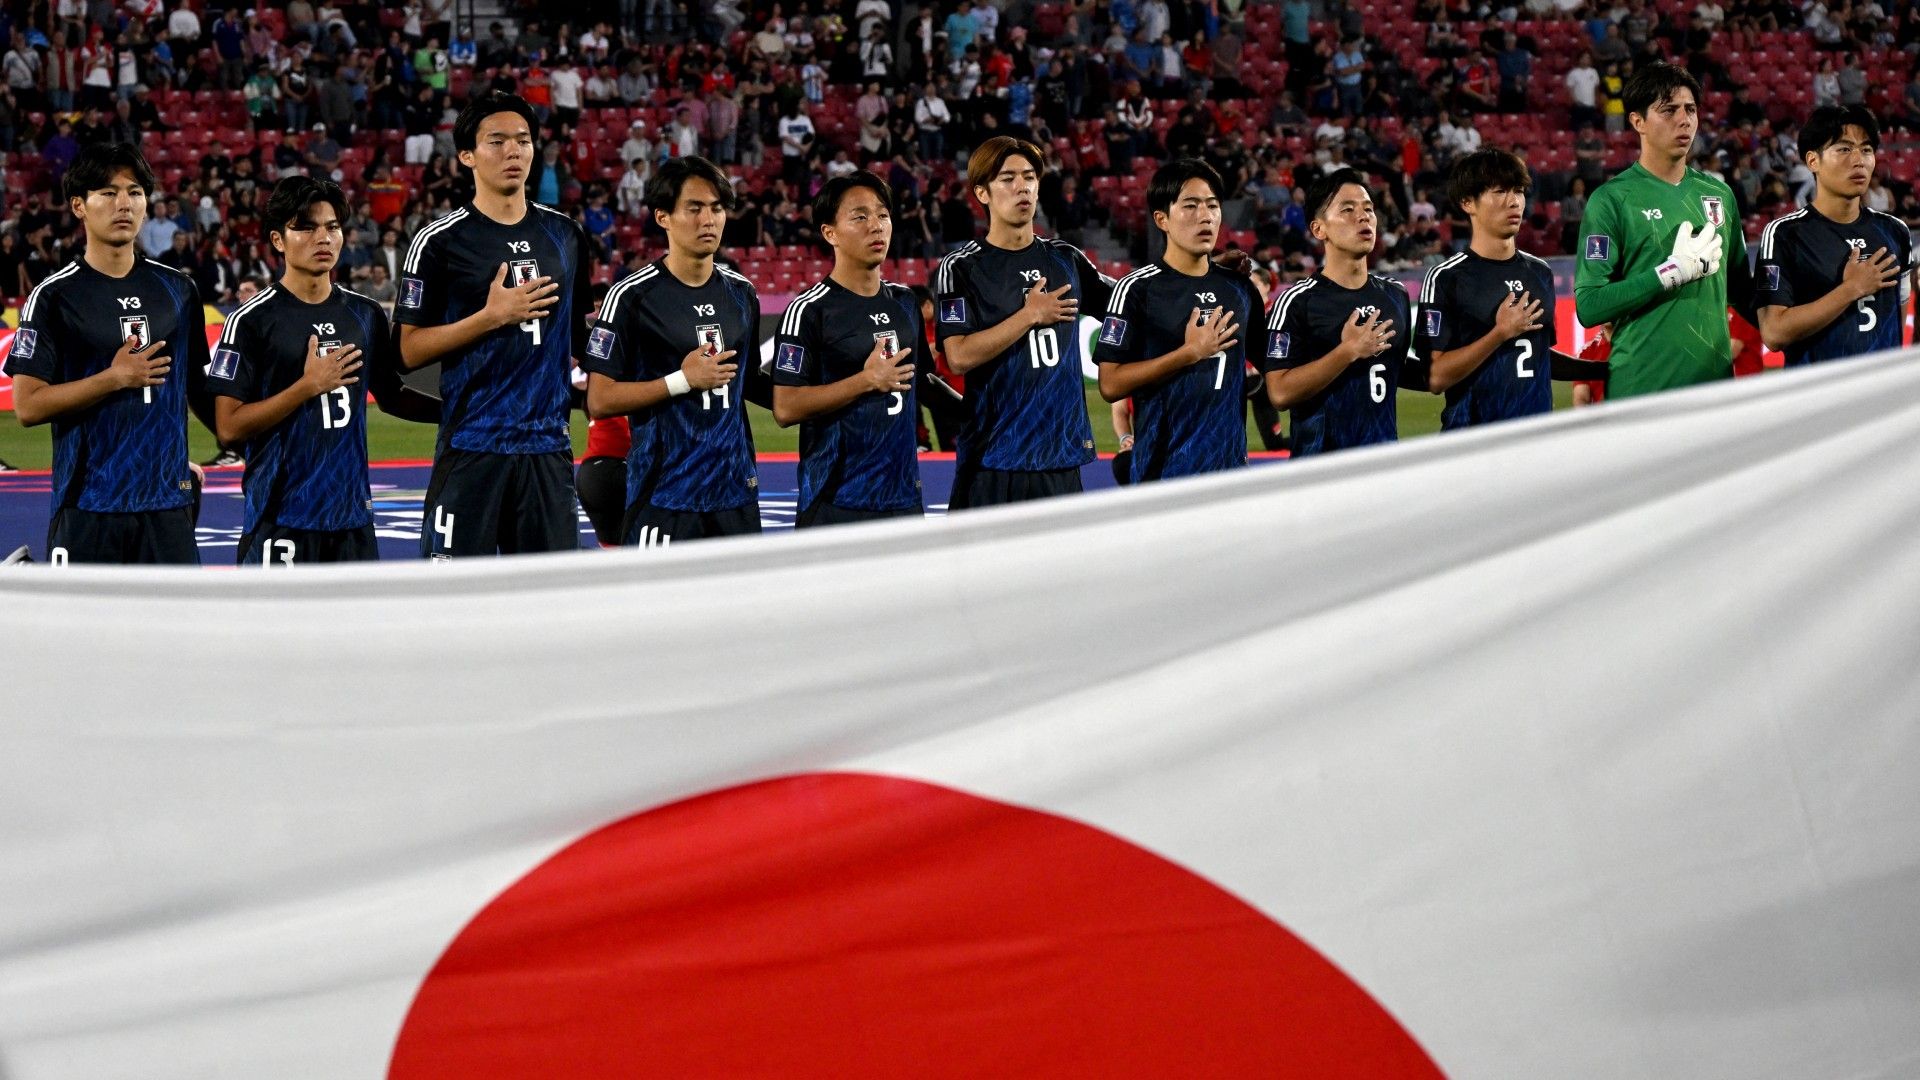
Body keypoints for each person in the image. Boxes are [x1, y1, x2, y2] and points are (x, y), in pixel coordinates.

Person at [395, 91, 592, 558]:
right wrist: (491, 317)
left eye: (523, 141)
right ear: (467, 155)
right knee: (455, 604)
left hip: (548, 448)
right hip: (472, 446)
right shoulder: (438, 242)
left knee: (549, 603)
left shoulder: (565, 235)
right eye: (497, 141)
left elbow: (581, 336)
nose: (513, 152)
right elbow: (406, 352)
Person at [207, 176, 438, 565]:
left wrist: (459, 410)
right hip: (279, 517)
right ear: (278, 240)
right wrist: (307, 386)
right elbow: (229, 427)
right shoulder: (250, 322)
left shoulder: (364, 315)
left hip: (352, 517)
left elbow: (392, 395)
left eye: (332, 227)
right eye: (306, 228)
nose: (324, 238)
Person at [3, 142, 213, 564]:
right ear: (79, 206)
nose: (124, 204)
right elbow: (27, 405)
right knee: (85, 632)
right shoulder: (54, 297)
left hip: (167, 505)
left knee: (178, 629)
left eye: (135, 192)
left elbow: (201, 394)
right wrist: (114, 378)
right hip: (88, 505)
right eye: (108, 193)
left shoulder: (179, 291)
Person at [583, 155, 763, 547]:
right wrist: (682, 380)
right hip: (664, 494)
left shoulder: (742, 294)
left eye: (716, 208)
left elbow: (749, 383)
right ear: (663, 217)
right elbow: (599, 399)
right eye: (694, 208)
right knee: (658, 609)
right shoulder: (631, 297)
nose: (709, 220)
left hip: (736, 494)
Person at [934, 136, 1116, 508]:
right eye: (1007, 178)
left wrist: (1203, 274)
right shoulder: (962, 267)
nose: (1022, 187)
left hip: (1061, 456)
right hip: (992, 460)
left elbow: (1133, 303)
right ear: (982, 193)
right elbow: (958, 356)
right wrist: (1030, 315)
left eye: (1029, 177)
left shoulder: (1066, 259)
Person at [1574, 63, 1752, 398]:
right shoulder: (1612, 200)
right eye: (1668, 110)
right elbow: (1589, 305)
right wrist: (1668, 273)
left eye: (1690, 110)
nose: (1684, 120)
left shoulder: (1719, 196)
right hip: (1640, 392)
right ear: (1637, 121)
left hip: (1714, 393)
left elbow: (1745, 294)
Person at [771, 172, 929, 527]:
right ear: (830, 233)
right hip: (835, 504)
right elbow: (785, 406)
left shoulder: (905, 302)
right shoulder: (808, 311)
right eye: (860, 217)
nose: (876, 226)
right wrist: (866, 380)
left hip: (904, 499)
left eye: (882, 215)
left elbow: (925, 382)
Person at [1094, 158, 1256, 482]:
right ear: (1162, 219)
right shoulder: (1136, 290)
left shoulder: (1239, 288)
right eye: (1191, 206)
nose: (1206, 216)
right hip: (1163, 476)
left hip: (1231, 475)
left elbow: (1276, 368)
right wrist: (1187, 354)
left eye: (1212, 205)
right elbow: (1110, 384)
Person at [1419, 149, 1593, 428]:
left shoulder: (1540, 273)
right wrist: (1499, 333)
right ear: (1467, 202)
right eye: (1500, 191)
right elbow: (1435, 377)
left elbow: (1537, 356)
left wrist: (1604, 369)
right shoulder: (1446, 277)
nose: (1514, 201)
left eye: (1519, 190)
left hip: (1535, 442)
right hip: (1475, 445)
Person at [1261, 167, 1413, 456]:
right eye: (1348, 209)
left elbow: (1400, 368)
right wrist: (1347, 351)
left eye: (1368, 208)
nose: (1363, 216)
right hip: (1321, 473)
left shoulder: (1396, 294)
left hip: (1384, 465)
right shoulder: (1296, 301)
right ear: (1319, 229)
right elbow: (1279, 393)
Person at [1754, 105, 1913, 366]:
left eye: (1866, 149)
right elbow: (1773, 333)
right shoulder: (1784, 234)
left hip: (1881, 399)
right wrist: (1851, 289)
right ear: (1813, 161)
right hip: (1820, 400)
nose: (1859, 160)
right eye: (1844, 149)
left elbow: (1897, 318)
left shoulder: (1896, 231)